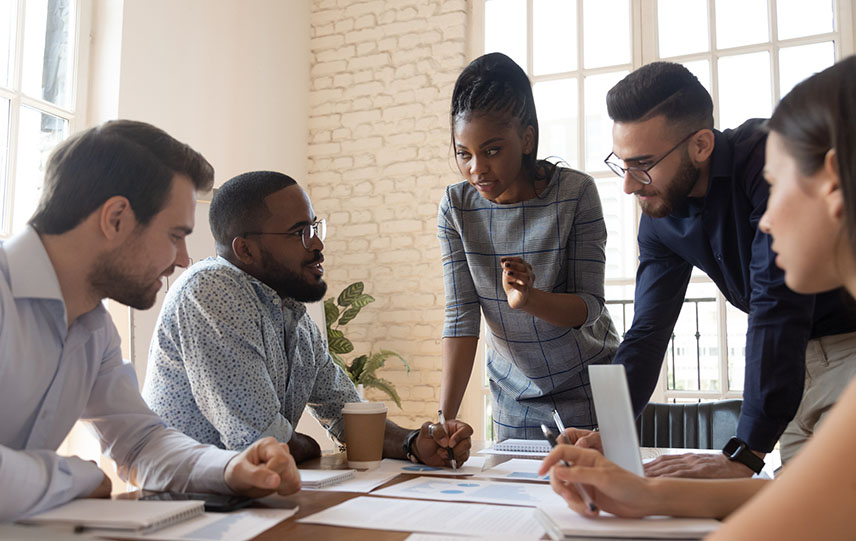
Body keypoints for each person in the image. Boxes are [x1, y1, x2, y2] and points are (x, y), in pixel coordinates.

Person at [540, 55, 856, 539]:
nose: (628, 185)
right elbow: (647, 331)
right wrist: (616, 433)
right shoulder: (659, 215)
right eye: (622, 165)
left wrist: (745, 451)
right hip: (795, 370)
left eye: (643, 165)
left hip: (841, 349)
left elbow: (776, 302)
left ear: (702, 144)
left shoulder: (764, 155)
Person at [0, 121, 301, 522]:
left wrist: (230, 469)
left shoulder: (93, 327)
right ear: (116, 218)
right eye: (176, 235)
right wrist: (78, 476)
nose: (182, 260)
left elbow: (139, 442)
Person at [143, 170, 472, 467]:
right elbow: (261, 443)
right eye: (298, 232)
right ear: (245, 250)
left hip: (247, 501)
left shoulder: (291, 314)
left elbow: (348, 414)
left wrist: (413, 441)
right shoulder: (211, 291)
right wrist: (309, 447)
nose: (317, 244)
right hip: (185, 508)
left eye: (315, 227)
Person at [437, 52, 619, 440]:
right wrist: (443, 422)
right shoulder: (456, 207)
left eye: (491, 150)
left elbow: (589, 307)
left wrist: (530, 299)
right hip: (514, 398)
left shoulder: (575, 193)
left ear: (527, 138)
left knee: (595, 499)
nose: (477, 169)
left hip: (593, 388)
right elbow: (461, 319)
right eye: (463, 154)